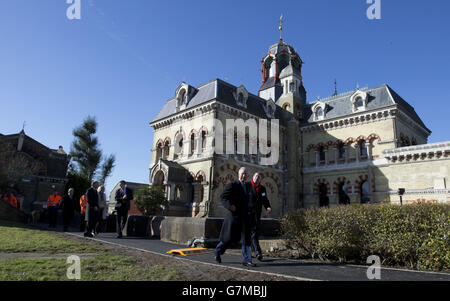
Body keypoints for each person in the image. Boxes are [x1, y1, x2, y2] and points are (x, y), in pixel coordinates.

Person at [214, 167, 257, 267]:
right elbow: (223, 197)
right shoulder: (232, 185)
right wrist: (230, 206)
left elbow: (251, 200)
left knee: (246, 239)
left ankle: (247, 260)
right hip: (234, 217)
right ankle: (217, 251)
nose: (244, 175)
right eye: (242, 173)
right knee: (228, 239)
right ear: (238, 174)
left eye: (245, 174)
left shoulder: (248, 186)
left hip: (245, 217)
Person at [249, 172, 272, 261]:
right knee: (253, 233)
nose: (257, 178)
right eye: (256, 176)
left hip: (257, 214)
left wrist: (268, 207)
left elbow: (264, 199)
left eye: (259, 177)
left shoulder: (262, 189)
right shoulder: (248, 186)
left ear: (260, 179)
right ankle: (258, 252)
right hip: (248, 213)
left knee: (254, 233)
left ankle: (251, 251)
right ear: (253, 177)